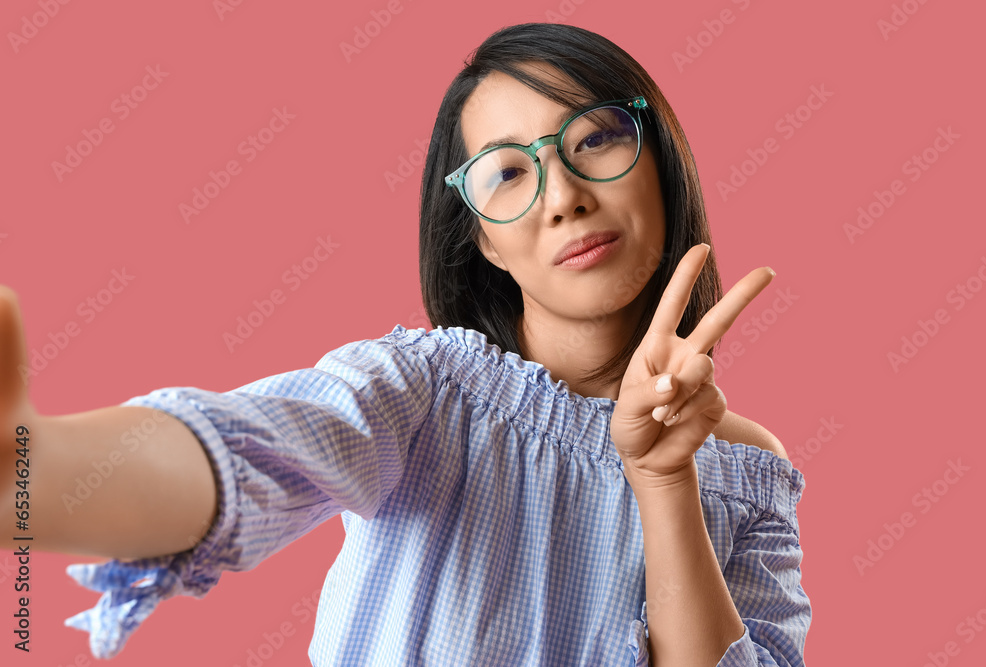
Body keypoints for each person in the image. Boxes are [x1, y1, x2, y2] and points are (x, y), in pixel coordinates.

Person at [0, 22, 809, 666]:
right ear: (485, 242)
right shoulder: (423, 394)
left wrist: (665, 481)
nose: (562, 195)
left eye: (594, 139)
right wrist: (35, 471)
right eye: (507, 172)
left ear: (657, 160)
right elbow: (253, 454)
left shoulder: (746, 474)